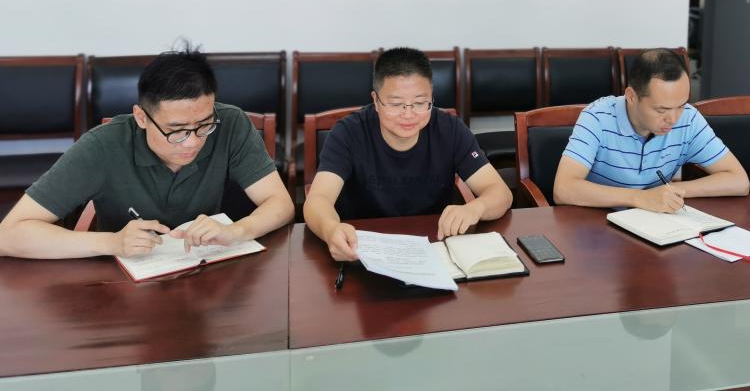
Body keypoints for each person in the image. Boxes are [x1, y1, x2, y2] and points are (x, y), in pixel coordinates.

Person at [0, 45, 294, 259]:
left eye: (204, 125)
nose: (192, 142)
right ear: (141, 117)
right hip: (123, 285)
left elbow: (280, 203)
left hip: (209, 276)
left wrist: (237, 231)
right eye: (176, 130)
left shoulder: (230, 123)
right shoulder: (102, 146)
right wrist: (111, 242)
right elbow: (9, 234)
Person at [303, 47, 513, 261]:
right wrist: (330, 229)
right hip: (363, 251)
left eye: (420, 103)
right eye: (396, 104)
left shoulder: (450, 130)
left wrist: (476, 208)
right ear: (375, 100)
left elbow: (500, 192)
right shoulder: (348, 133)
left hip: (434, 247)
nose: (408, 114)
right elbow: (318, 199)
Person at [553, 48, 748, 211]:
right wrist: (639, 197)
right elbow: (563, 189)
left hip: (652, 223)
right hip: (596, 223)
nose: (673, 119)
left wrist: (670, 192)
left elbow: (739, 181)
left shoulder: (688, 118)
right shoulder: (597, 117)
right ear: (631, 96)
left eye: (680, 105)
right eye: (661, 110)